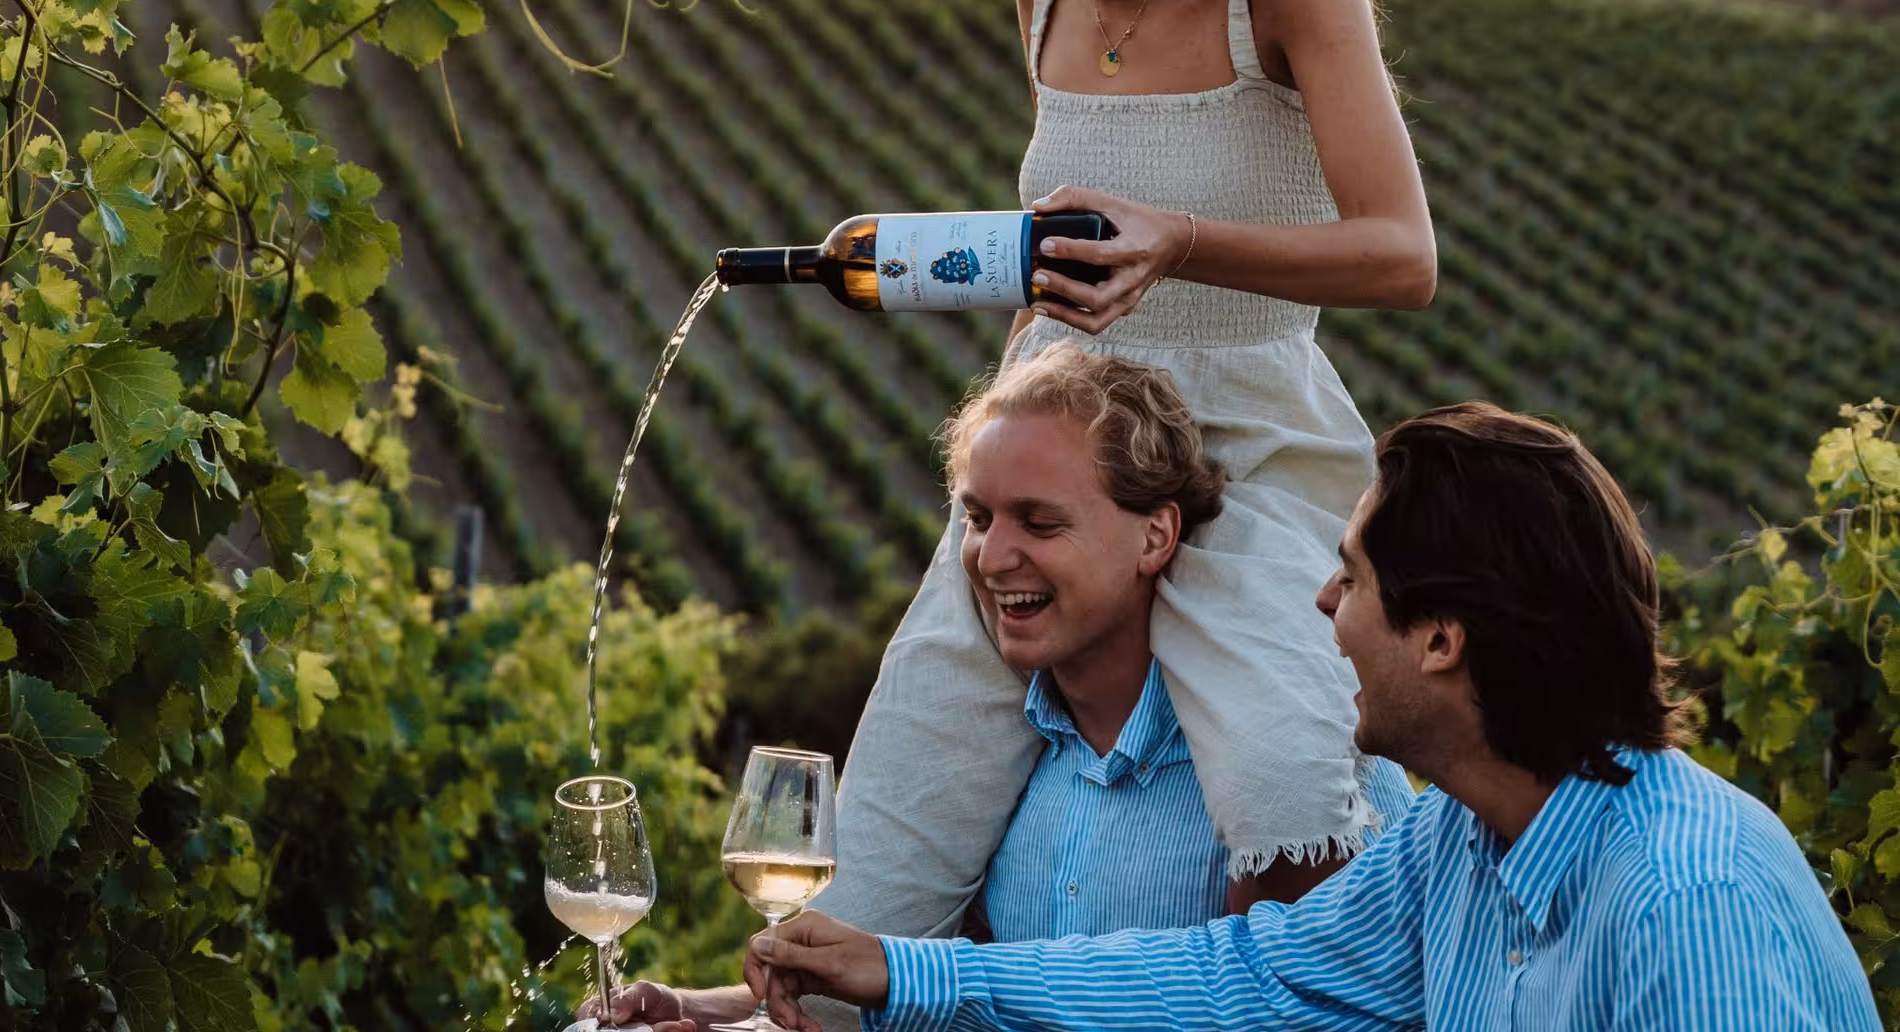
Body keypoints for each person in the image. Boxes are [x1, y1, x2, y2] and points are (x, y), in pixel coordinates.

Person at [820, 0, 1437, 954]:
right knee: (894, 800)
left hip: (1246, 445)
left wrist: (1181, 243)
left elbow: (1402, 254)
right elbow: (1068, 252)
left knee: (1280, 760)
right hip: (1061, 449)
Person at [743, 403, 1882, 1031]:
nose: (1321, 609)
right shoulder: (1462, 847)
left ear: (1442, 640)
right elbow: (1241, 975)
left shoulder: (1688, 899)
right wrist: (908, 971)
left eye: (1352, 580)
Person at [580, 346, 1413, 1030]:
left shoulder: (1292, 782)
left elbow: (1309, 1000)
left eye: (1040, 523)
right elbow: (931, 987)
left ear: (1155, 534)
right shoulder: (997, 768)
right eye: (978, 517)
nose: (992, 556)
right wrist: (705, 1009)